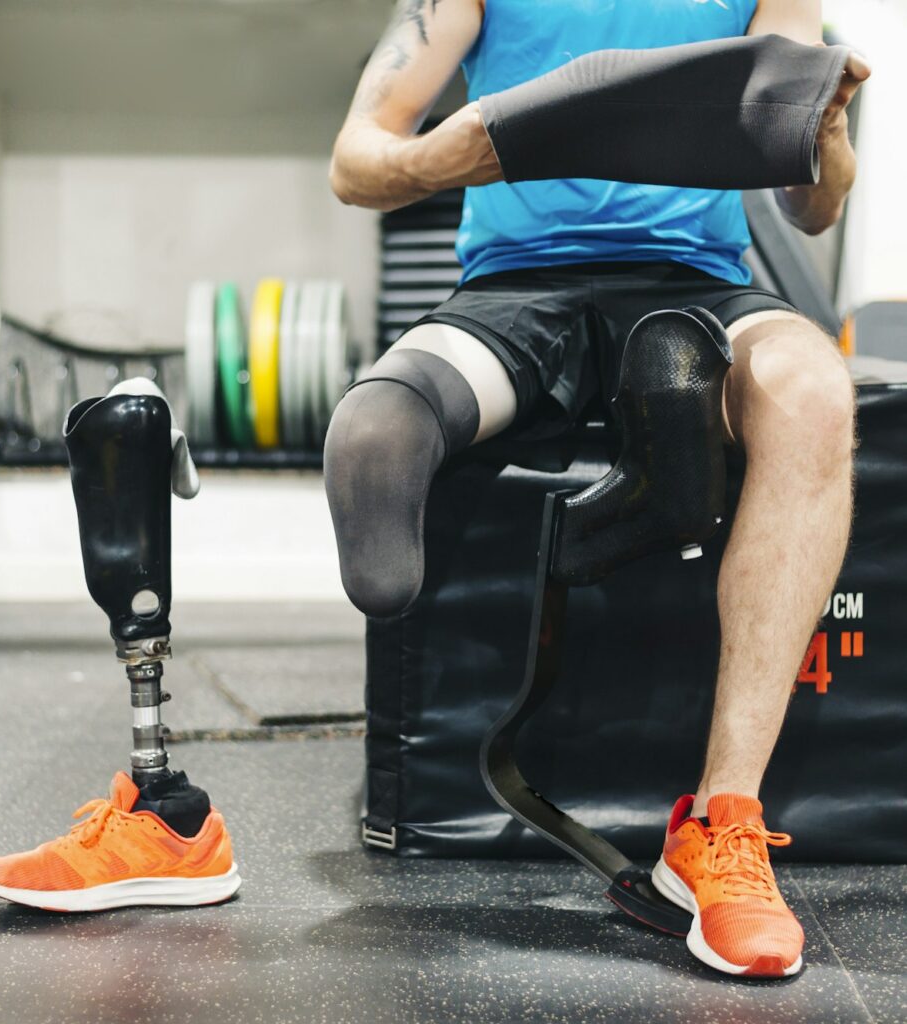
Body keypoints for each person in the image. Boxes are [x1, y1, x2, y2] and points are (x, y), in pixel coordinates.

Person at [323, 0, 869, 978]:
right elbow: (355, 162)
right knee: (375, 433)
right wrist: (461, 153)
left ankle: (720, 826)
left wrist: (825, 144)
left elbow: (809, 206)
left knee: (813, 392)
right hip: (510, 292)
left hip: (693, 282)